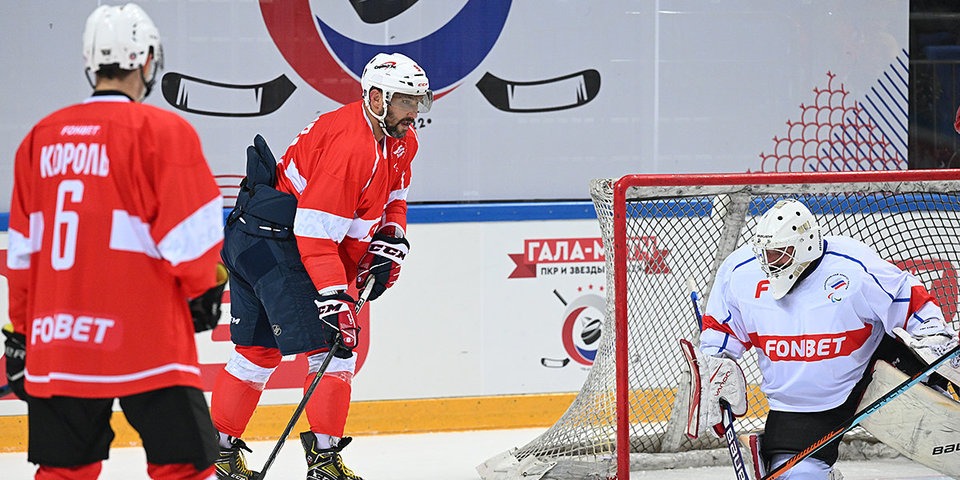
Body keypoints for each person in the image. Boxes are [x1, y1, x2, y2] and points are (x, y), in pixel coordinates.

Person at [2, 3, 227, 480]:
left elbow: (22, 255)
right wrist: (205, 288)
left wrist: (21, 333)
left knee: (65, 471)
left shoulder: (38, 139)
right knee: (184, 468)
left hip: (61, 339)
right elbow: (192, 243)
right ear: (147, 60)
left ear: (90, 61)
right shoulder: (163, 133)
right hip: (147, 339)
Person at [210, 52, 431, 480]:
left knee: (257, 352)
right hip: (281, 245)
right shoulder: (351, 146)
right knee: (334, 349)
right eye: (406, 101)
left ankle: (216, 453)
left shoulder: (400, 140)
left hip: (256, 236)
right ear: (377, 98)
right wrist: (333, 295)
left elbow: (394, 199)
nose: (414, 112)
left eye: (418, 102)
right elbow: (313, 232)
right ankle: (325, 462)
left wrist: (391, 236)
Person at [683, 199, 960, 480]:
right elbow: (720, 339)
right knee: (797, 476)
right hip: (803, 402)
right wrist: (716, 369)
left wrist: (931, 331)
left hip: (873, 368)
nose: (770, 262)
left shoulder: (853, 265)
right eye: (765, 253)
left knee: (932, 360)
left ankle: (937, 388)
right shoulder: (738, 272)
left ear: (806, 245)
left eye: (780, 254)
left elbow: (906, 297)